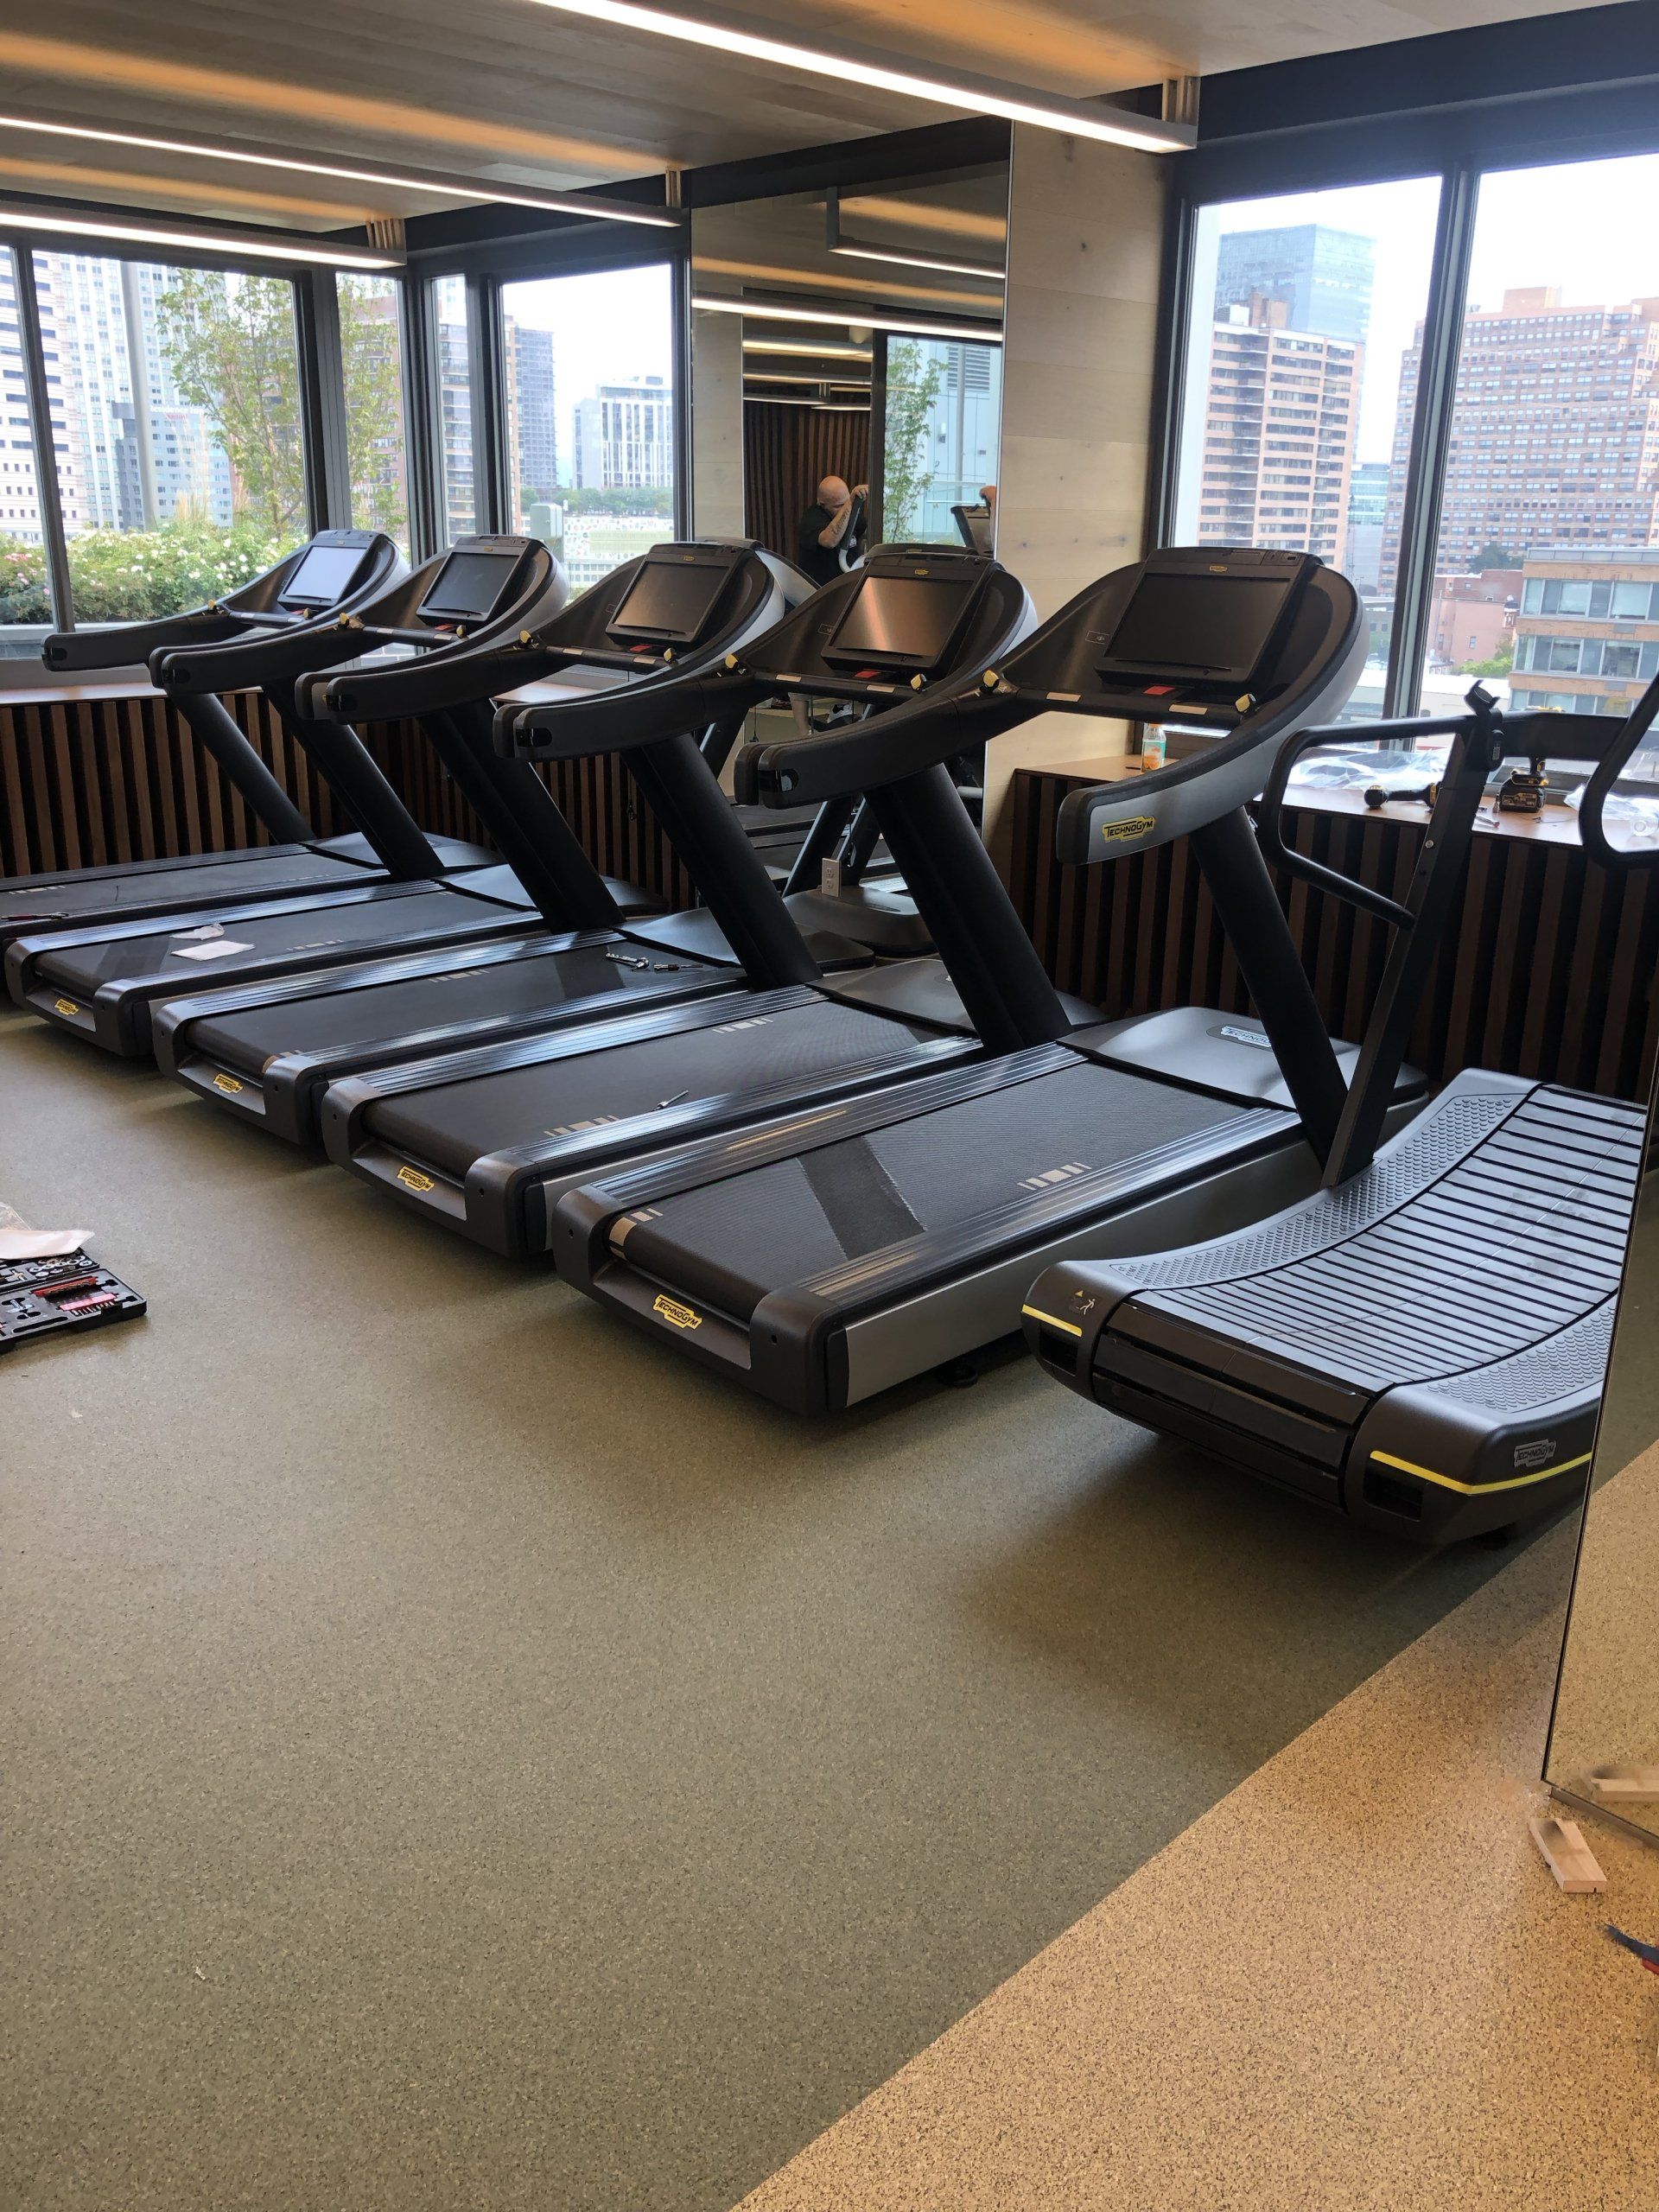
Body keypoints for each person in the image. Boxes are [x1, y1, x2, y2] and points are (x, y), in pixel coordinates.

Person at [796, 475, 867, 586]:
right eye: (839, 506)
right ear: (823, 504)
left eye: (846, 502)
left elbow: (869, 529)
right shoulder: (812, 518)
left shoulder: (853, 515)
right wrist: (849, 503)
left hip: (850, 585)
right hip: (821, 591)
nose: (845, 508)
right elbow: (828, 541)